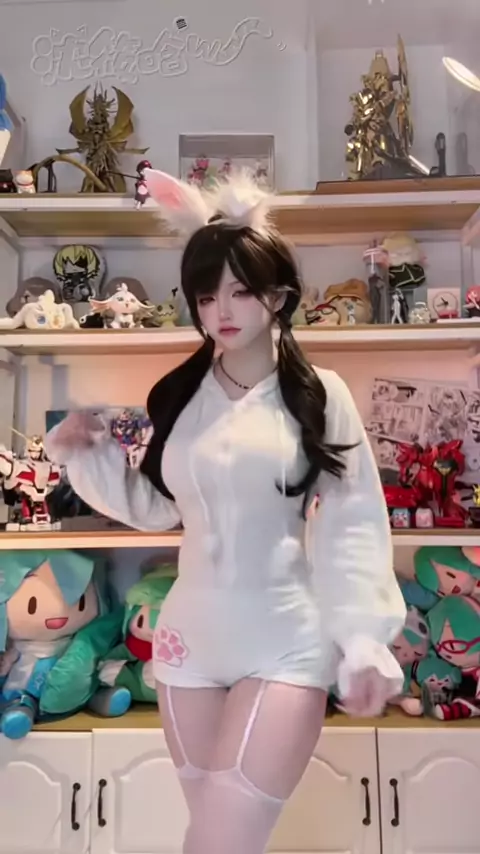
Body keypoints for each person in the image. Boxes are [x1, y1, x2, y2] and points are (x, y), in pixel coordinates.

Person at [45, 168, 406, 854]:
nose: (222, 311)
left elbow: (353, 521)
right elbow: (158, 509)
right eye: (207, 296)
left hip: (286, 639)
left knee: (220, 842)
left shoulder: (320, 394)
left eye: (241, 291)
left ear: (279, 295)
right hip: (189, 643)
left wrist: (364, 637)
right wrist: (85, 460)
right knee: (217, 838)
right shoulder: (179, 395)